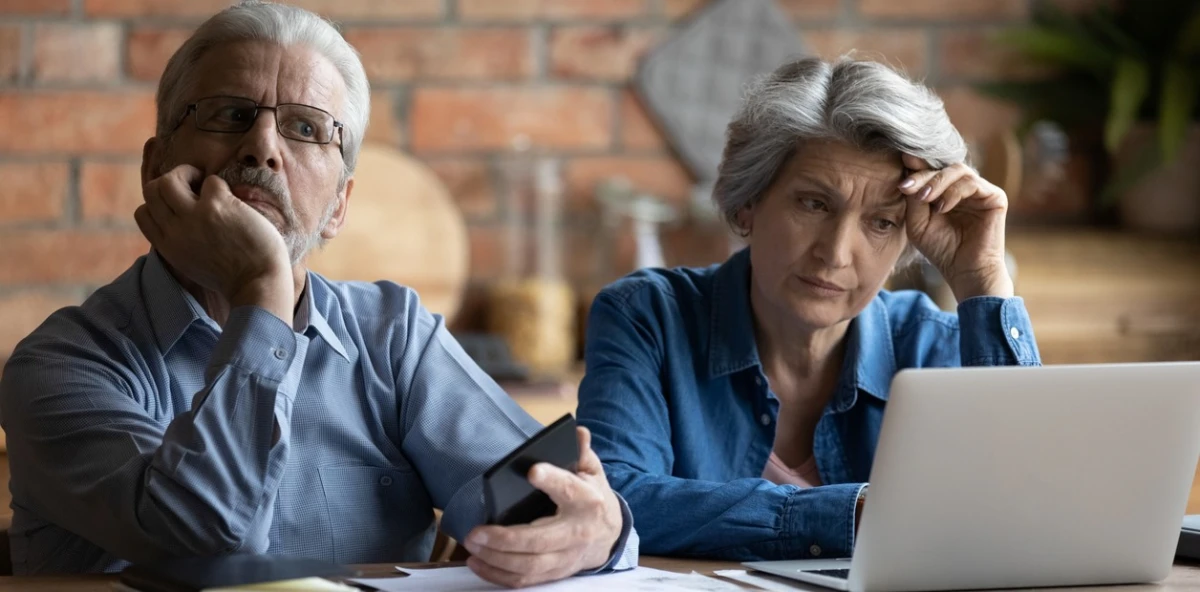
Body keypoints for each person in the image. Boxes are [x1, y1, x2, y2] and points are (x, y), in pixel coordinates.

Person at [0, 1, 636, 584]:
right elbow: (208, 542)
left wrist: (599, 530)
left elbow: (541, 495)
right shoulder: (61, 365)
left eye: (305, 129)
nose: (263, 147)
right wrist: (262, 292)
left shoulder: (393, 336)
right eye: (230, 114)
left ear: (339, 205)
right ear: (155, 166)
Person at [575, 56, 1041, 561]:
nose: (836, 253)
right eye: (814, 205)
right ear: (749, 203)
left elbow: (1029, 509)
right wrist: (855, 514)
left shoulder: (932, 344)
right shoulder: (648, 317)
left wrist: (984, 281)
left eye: (882, 223)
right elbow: (612, 499)